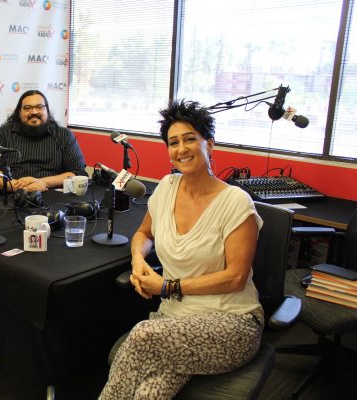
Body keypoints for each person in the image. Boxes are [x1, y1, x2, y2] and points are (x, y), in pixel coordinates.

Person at [99, 100, 264, 400]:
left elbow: (236, 278)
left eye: (189, 139)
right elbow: (143, 233)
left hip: (231, 323)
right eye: (173, 143)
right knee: (148, 394)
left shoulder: (236, 202)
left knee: (142, 335)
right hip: (174, 321)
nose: (181, 149)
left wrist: (167, 286)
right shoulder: (166, 187)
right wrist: (137, 259)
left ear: (209, 144)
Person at [0, 90, 86, 192]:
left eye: (39, 107)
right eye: (27, 108)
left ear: (47, 110)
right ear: (19, 112)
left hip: (51, 196)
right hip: (11, 196)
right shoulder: (3, 134)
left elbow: (77, 172)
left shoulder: (64, 135)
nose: (34, 112)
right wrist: (16, 187)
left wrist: (42, 182)